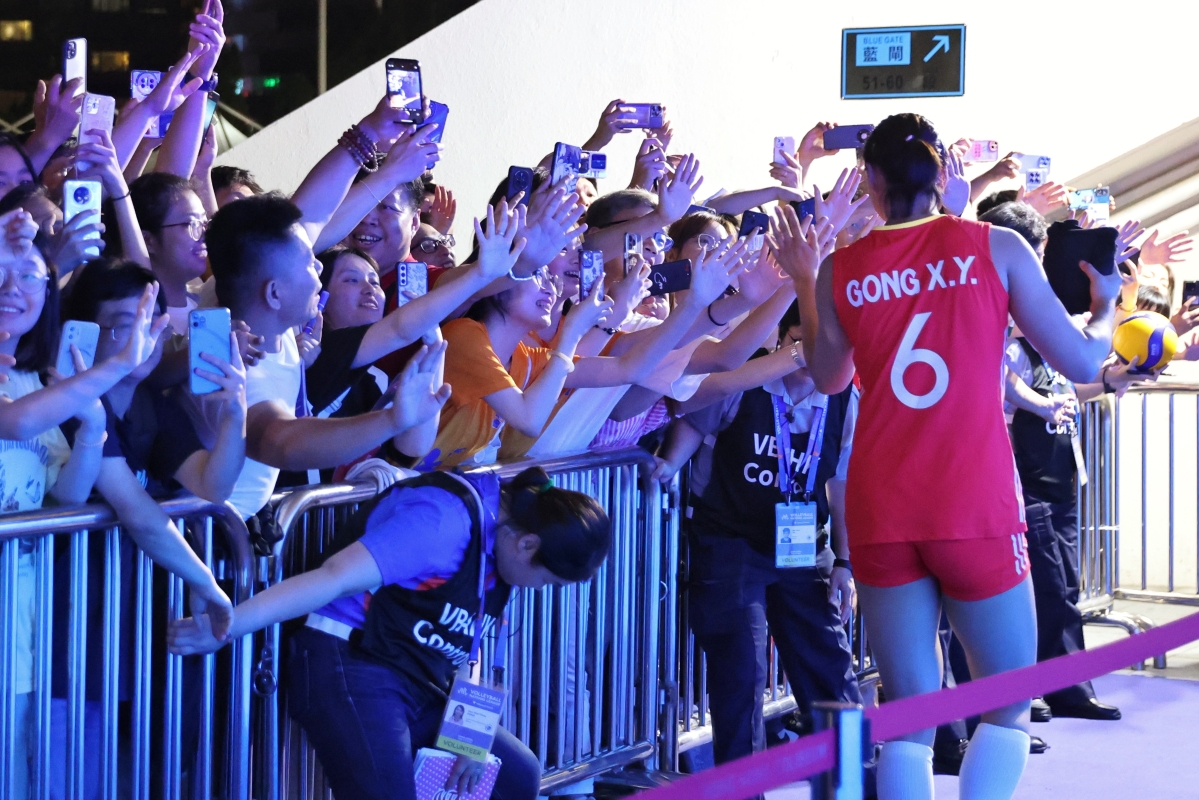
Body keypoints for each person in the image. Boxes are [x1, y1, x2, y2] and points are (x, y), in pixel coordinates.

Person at [793, 113, 1122, 800]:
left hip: (882, 501)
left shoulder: (840, 267)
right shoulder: (994, 246)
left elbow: (827, 377)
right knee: (1005, 708)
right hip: (971, 498)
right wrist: (1105, 308)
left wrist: (805, 281)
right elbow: (1082, 359)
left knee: (908, 719)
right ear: (943, 173)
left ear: (870, 180)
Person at [168, 465, 611, 800]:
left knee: (515, 777)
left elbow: (464, 648)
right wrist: (227, 626)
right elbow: (332, 578)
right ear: (528, 544)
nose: (541, 590)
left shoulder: (505, 544)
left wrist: (470, 738)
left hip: (419, 679)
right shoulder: (443, 522)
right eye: (548, 581)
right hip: (348, 662)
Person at [653, 296, 860, 769]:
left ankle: (851, 781)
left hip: (802, 547)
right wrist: (667, 465)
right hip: (730, 541)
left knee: (829, 664)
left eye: (826, 349)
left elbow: (842, 483)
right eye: (800, 342)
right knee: (742, 670)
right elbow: (694, 420)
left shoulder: (846, 397)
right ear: (782, 339)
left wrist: (845, 561)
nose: (812, 358)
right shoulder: (745, 378)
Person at [203, 193, 451, 521]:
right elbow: (281, 442)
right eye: (309, 263)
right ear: (276, 293)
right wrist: (482, 274)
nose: (318, 267)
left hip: (245, 532)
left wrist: (433, 345)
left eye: (374, 281)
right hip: (218, 533)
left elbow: (409, 451)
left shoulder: (291, 345)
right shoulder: (242, 363)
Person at [979, 202, 1123, 724]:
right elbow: (998, 379)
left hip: (1059, 476)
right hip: (1020, 477)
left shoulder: (1041, 325)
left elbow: (1071, 378)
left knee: (1063, 586)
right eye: (1038, 254)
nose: (1042, 268)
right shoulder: (1001, 319)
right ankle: (1027, 691)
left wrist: (1110, 381)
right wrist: (1038, 404)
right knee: (1042, 589)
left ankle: (1065, 687)